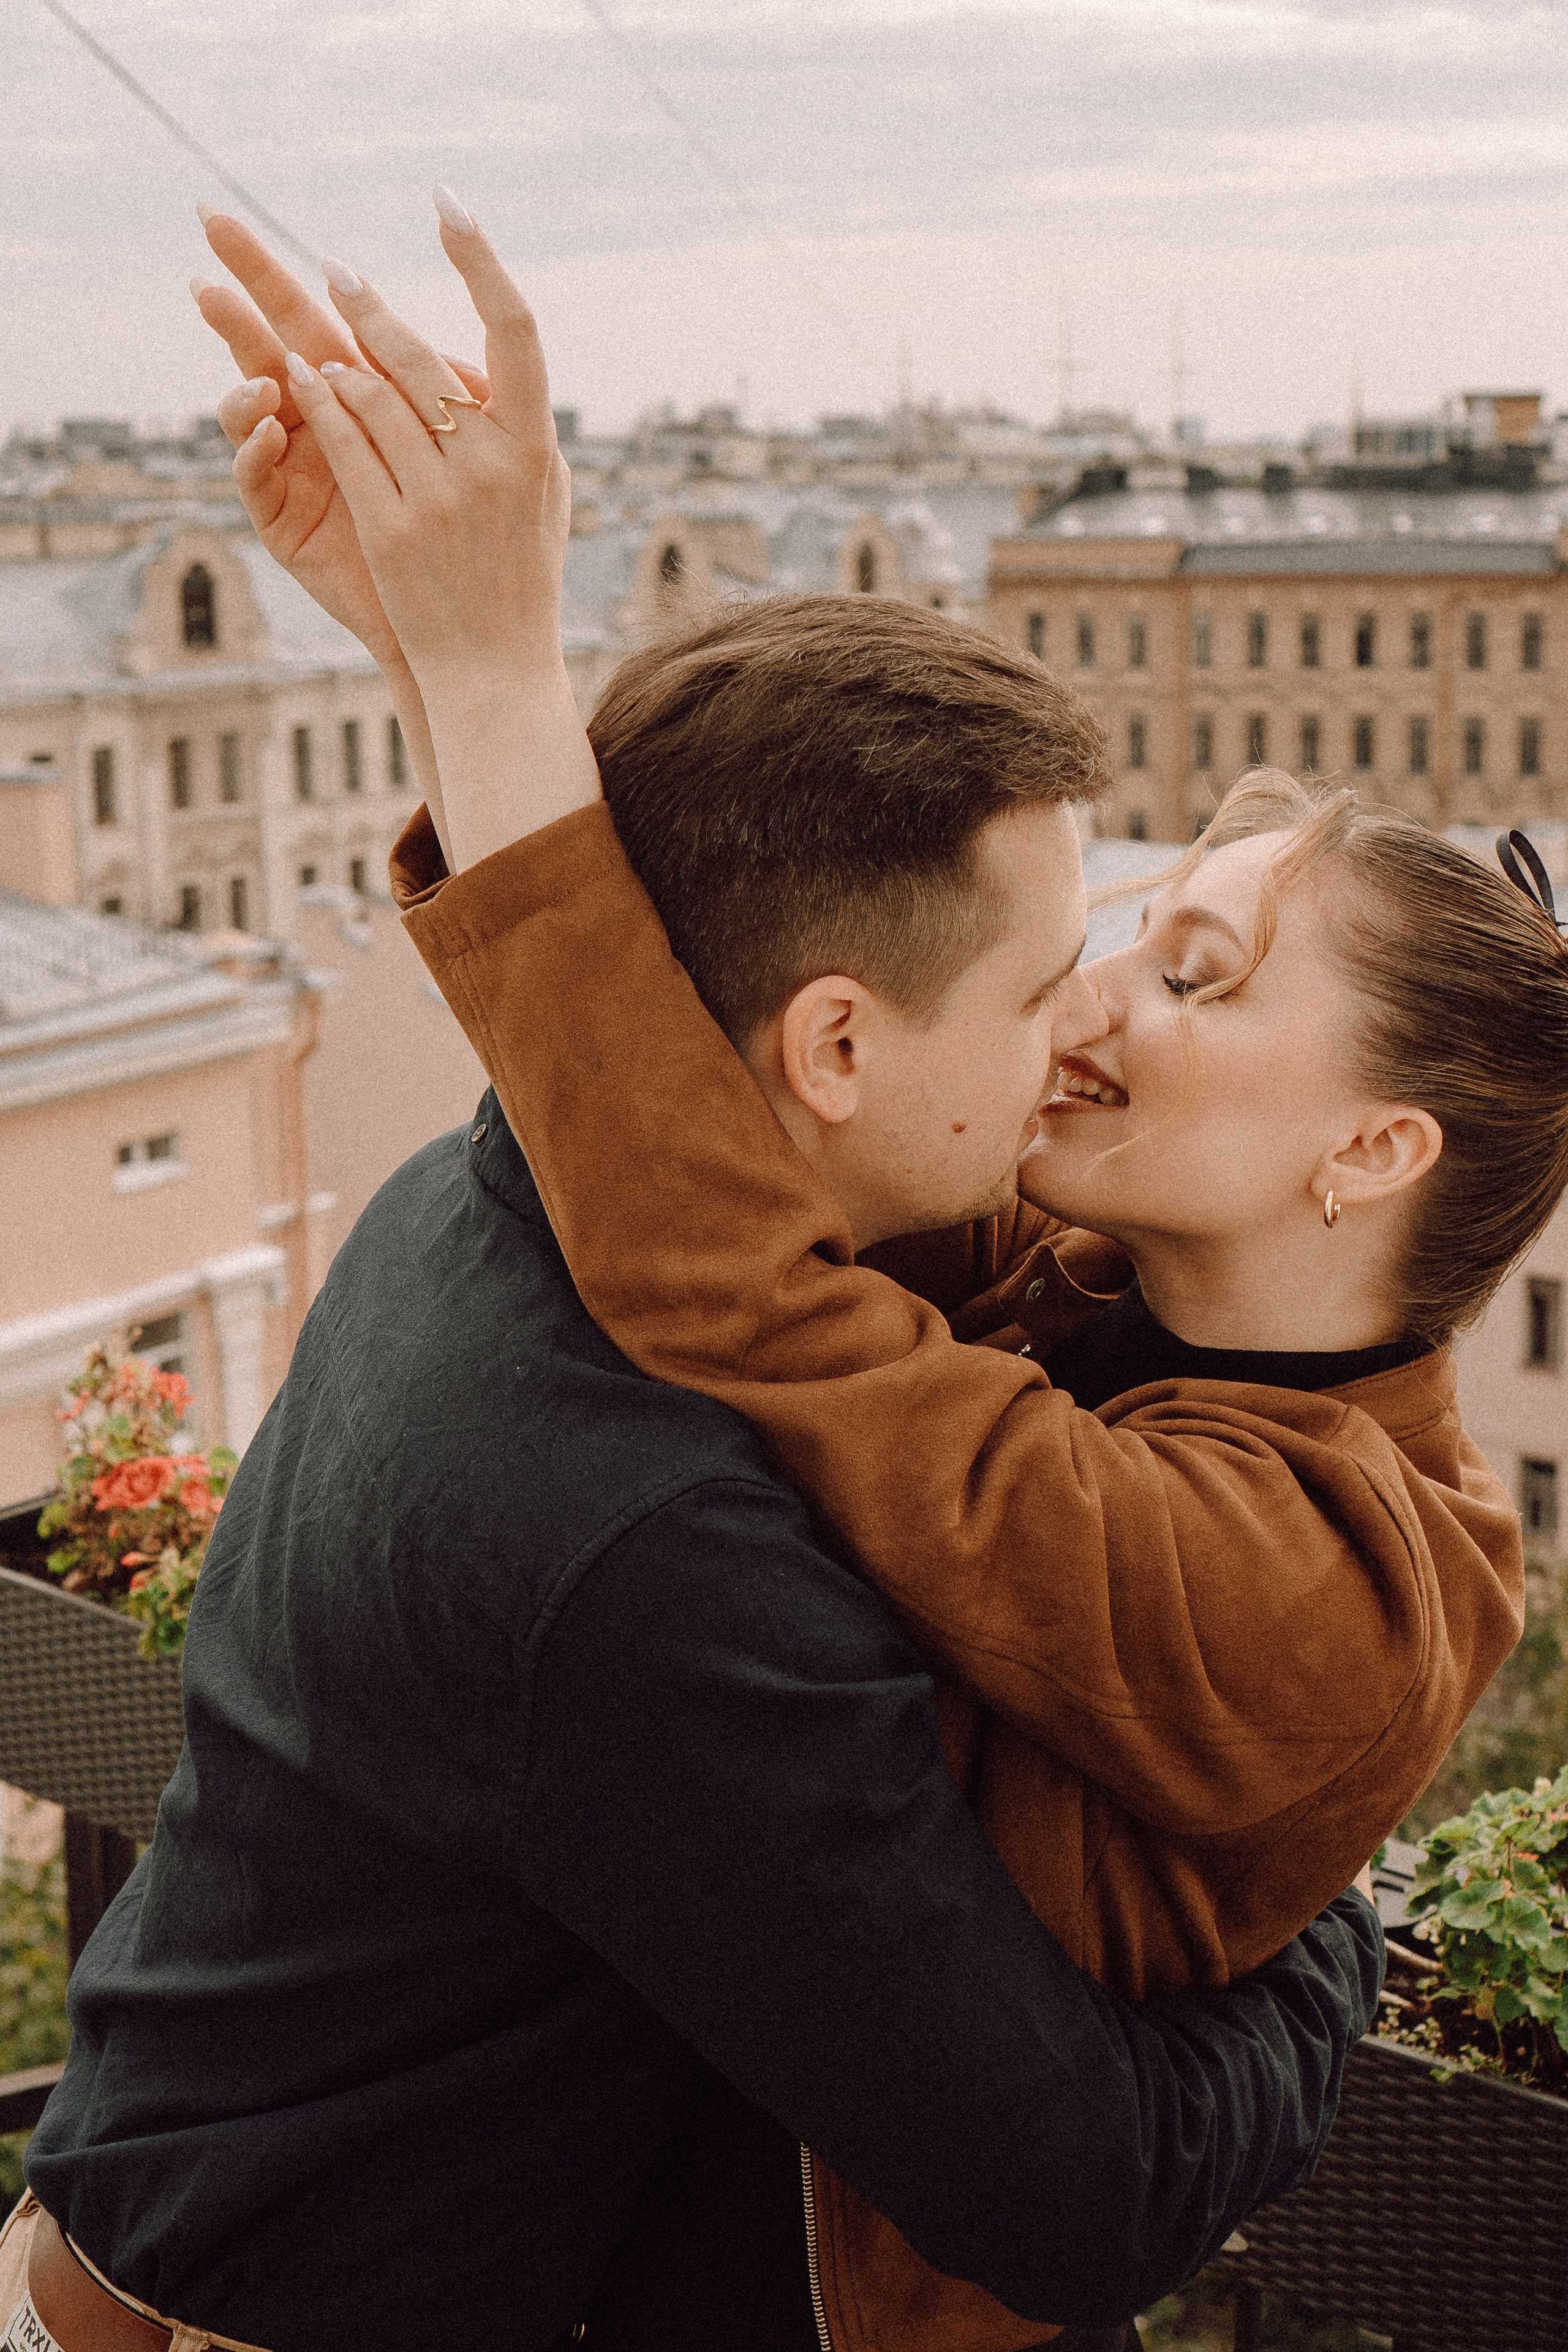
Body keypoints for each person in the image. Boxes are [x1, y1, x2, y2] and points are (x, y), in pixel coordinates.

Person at [0, 211, 1384, 2352]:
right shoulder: (659, 1545)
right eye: (1041, 988)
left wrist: (474, 674)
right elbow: (1083, 2192)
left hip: (142, 2237)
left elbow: (609, 1039)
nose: (1079, 1034)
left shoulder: (489, 1197)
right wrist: (1326, 1888)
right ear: (832, 1049)